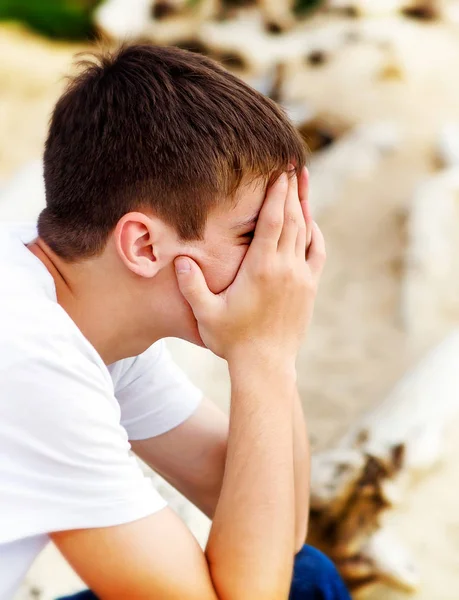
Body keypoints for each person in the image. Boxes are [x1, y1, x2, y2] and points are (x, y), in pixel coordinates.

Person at [0, 44, 349, 600]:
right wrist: (265, 354)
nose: (277, 262)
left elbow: (284, 534)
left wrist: (271, 356)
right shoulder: (29, 355)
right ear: (142, 244)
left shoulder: (84, 301)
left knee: (305, 577)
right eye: (252, 235)